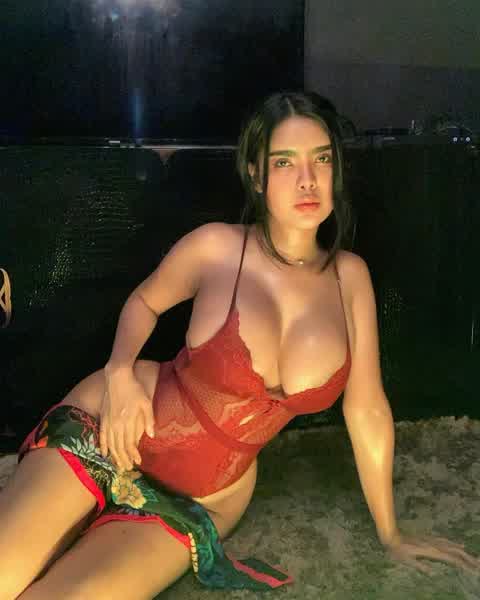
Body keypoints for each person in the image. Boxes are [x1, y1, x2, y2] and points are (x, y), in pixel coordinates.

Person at [1, 91, 478, 599]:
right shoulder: (217, 247)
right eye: (284, 162)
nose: (307, 179)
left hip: (205, 497)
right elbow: (144, 302)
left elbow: (366, 407)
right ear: (256, 175)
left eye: (321, 159)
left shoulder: (350, 278)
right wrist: (119, 374)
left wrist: (391, 533)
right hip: (108, 424)